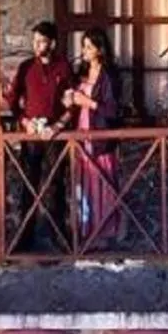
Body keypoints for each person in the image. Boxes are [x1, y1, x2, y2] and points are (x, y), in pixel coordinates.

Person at [4, 20, 75, 250]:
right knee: (28, 183)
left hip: (55, 135)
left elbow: (72, 102)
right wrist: (25, 122)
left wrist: (58, 126)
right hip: (32, 135)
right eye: (34, 41)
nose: (36, 45)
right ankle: (24, 237)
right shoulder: (25, 67)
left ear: (52, 43)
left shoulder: (63, 67)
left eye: (41, 41)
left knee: (56, 185)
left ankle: (58, 236)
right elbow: (12, 100)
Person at [63, 28, 121, 247]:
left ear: (100, 49)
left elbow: (113, 110)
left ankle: (104, 231)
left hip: (100, 135)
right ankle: (85, 228)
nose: (84, 51)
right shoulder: (82, 72)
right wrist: (69, 99)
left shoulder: (109, 75)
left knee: (101, 181)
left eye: (89, 46)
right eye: (83, 46)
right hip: (82, 132)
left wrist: (88, 102)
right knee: (84, 182)